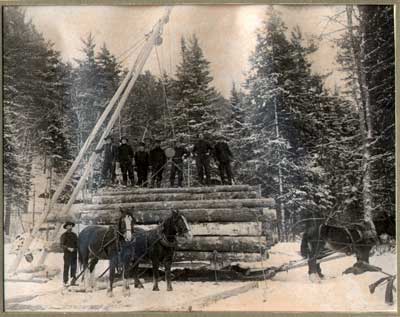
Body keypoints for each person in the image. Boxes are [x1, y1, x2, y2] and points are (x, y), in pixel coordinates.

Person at [60, 221, 78, 287]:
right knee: (66, 267)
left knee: (74, 267)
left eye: (71, 226)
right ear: (66, 227)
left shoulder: (74, 235)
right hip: (67, 254)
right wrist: (68, 248)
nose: (70, 227)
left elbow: (77, 244)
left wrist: (75, 249)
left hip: (74, 253)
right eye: (68, 226)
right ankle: (65, 281)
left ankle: (73, 281)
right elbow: (61, 245)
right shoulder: (64, 235)